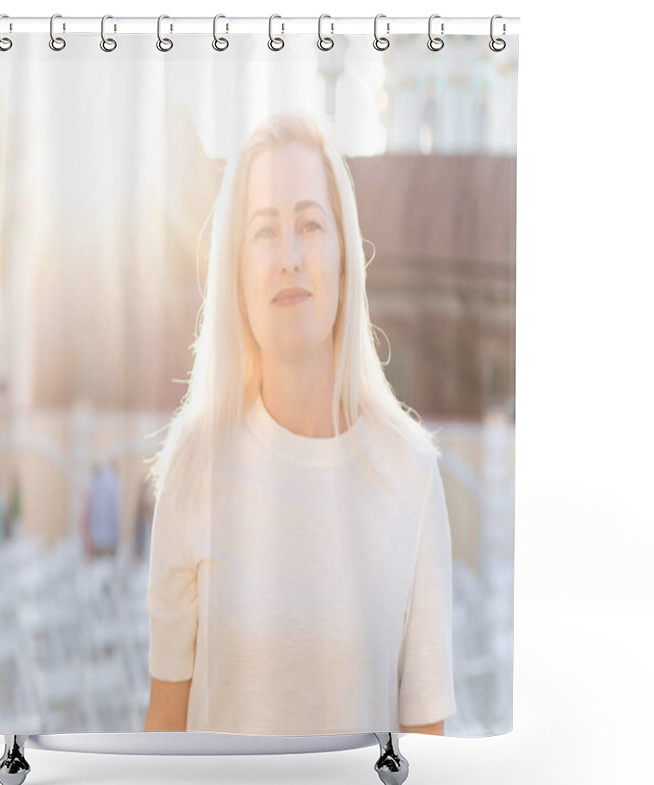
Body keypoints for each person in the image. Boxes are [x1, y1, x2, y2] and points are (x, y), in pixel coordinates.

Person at [144, 112, 455, 736]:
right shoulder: (195, 463)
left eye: (310, 224)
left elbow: (426, 748)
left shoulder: (410, 475)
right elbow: (165, 728)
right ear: (235, 270)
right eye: (264, 231)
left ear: (345, 258)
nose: (288, 257)